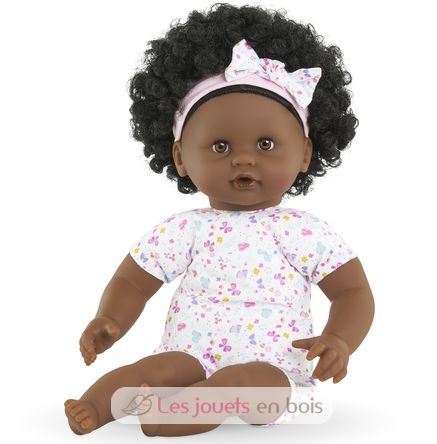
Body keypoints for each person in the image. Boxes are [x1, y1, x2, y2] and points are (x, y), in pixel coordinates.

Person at [64, 2, 374, 436]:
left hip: (273, 366)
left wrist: (339, 338)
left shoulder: (305, 231)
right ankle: (96, 408)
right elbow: (134, 281)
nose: (244, 158)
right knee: (154, 369)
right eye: (221, 146)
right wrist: (110, 319)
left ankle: (180, 412)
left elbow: (352, 291)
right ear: (180, 157)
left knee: (248, 384)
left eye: (266, 144)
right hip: (190, 354)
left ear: (304, 153)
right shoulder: (185, 229)